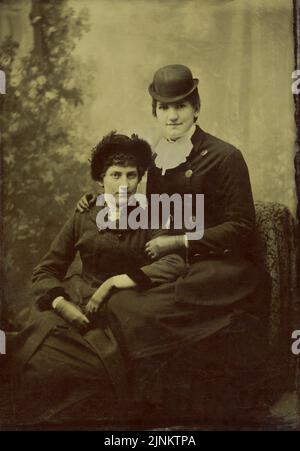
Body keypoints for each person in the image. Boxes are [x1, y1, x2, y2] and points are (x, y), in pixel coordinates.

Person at [76, 65, 268, 419]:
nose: (172, 114)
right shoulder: (158, 161)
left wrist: (180, 242)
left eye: (180, 105)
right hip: (177, 266)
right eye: (164, 107)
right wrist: (97, 201)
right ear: (155, 111)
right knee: (122, 304)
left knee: (143, 308)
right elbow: (149, 210)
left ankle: (176, 403)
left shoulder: (226, 156)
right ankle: (148, 396)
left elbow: (241, 228)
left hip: (225, 270)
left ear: (196, 108)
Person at [11, 131, 186, 425]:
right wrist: (60, 303)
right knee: (36, 359)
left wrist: (115, 282)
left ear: (140, 178)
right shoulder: (84, 214)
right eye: (115, 175)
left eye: (132, 176)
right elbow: (46, 270)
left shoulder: (152, 214)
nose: (124, 185)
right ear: (100, 179)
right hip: (75, 300)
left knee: (96, 371)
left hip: (125, 310)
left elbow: (174, 262)